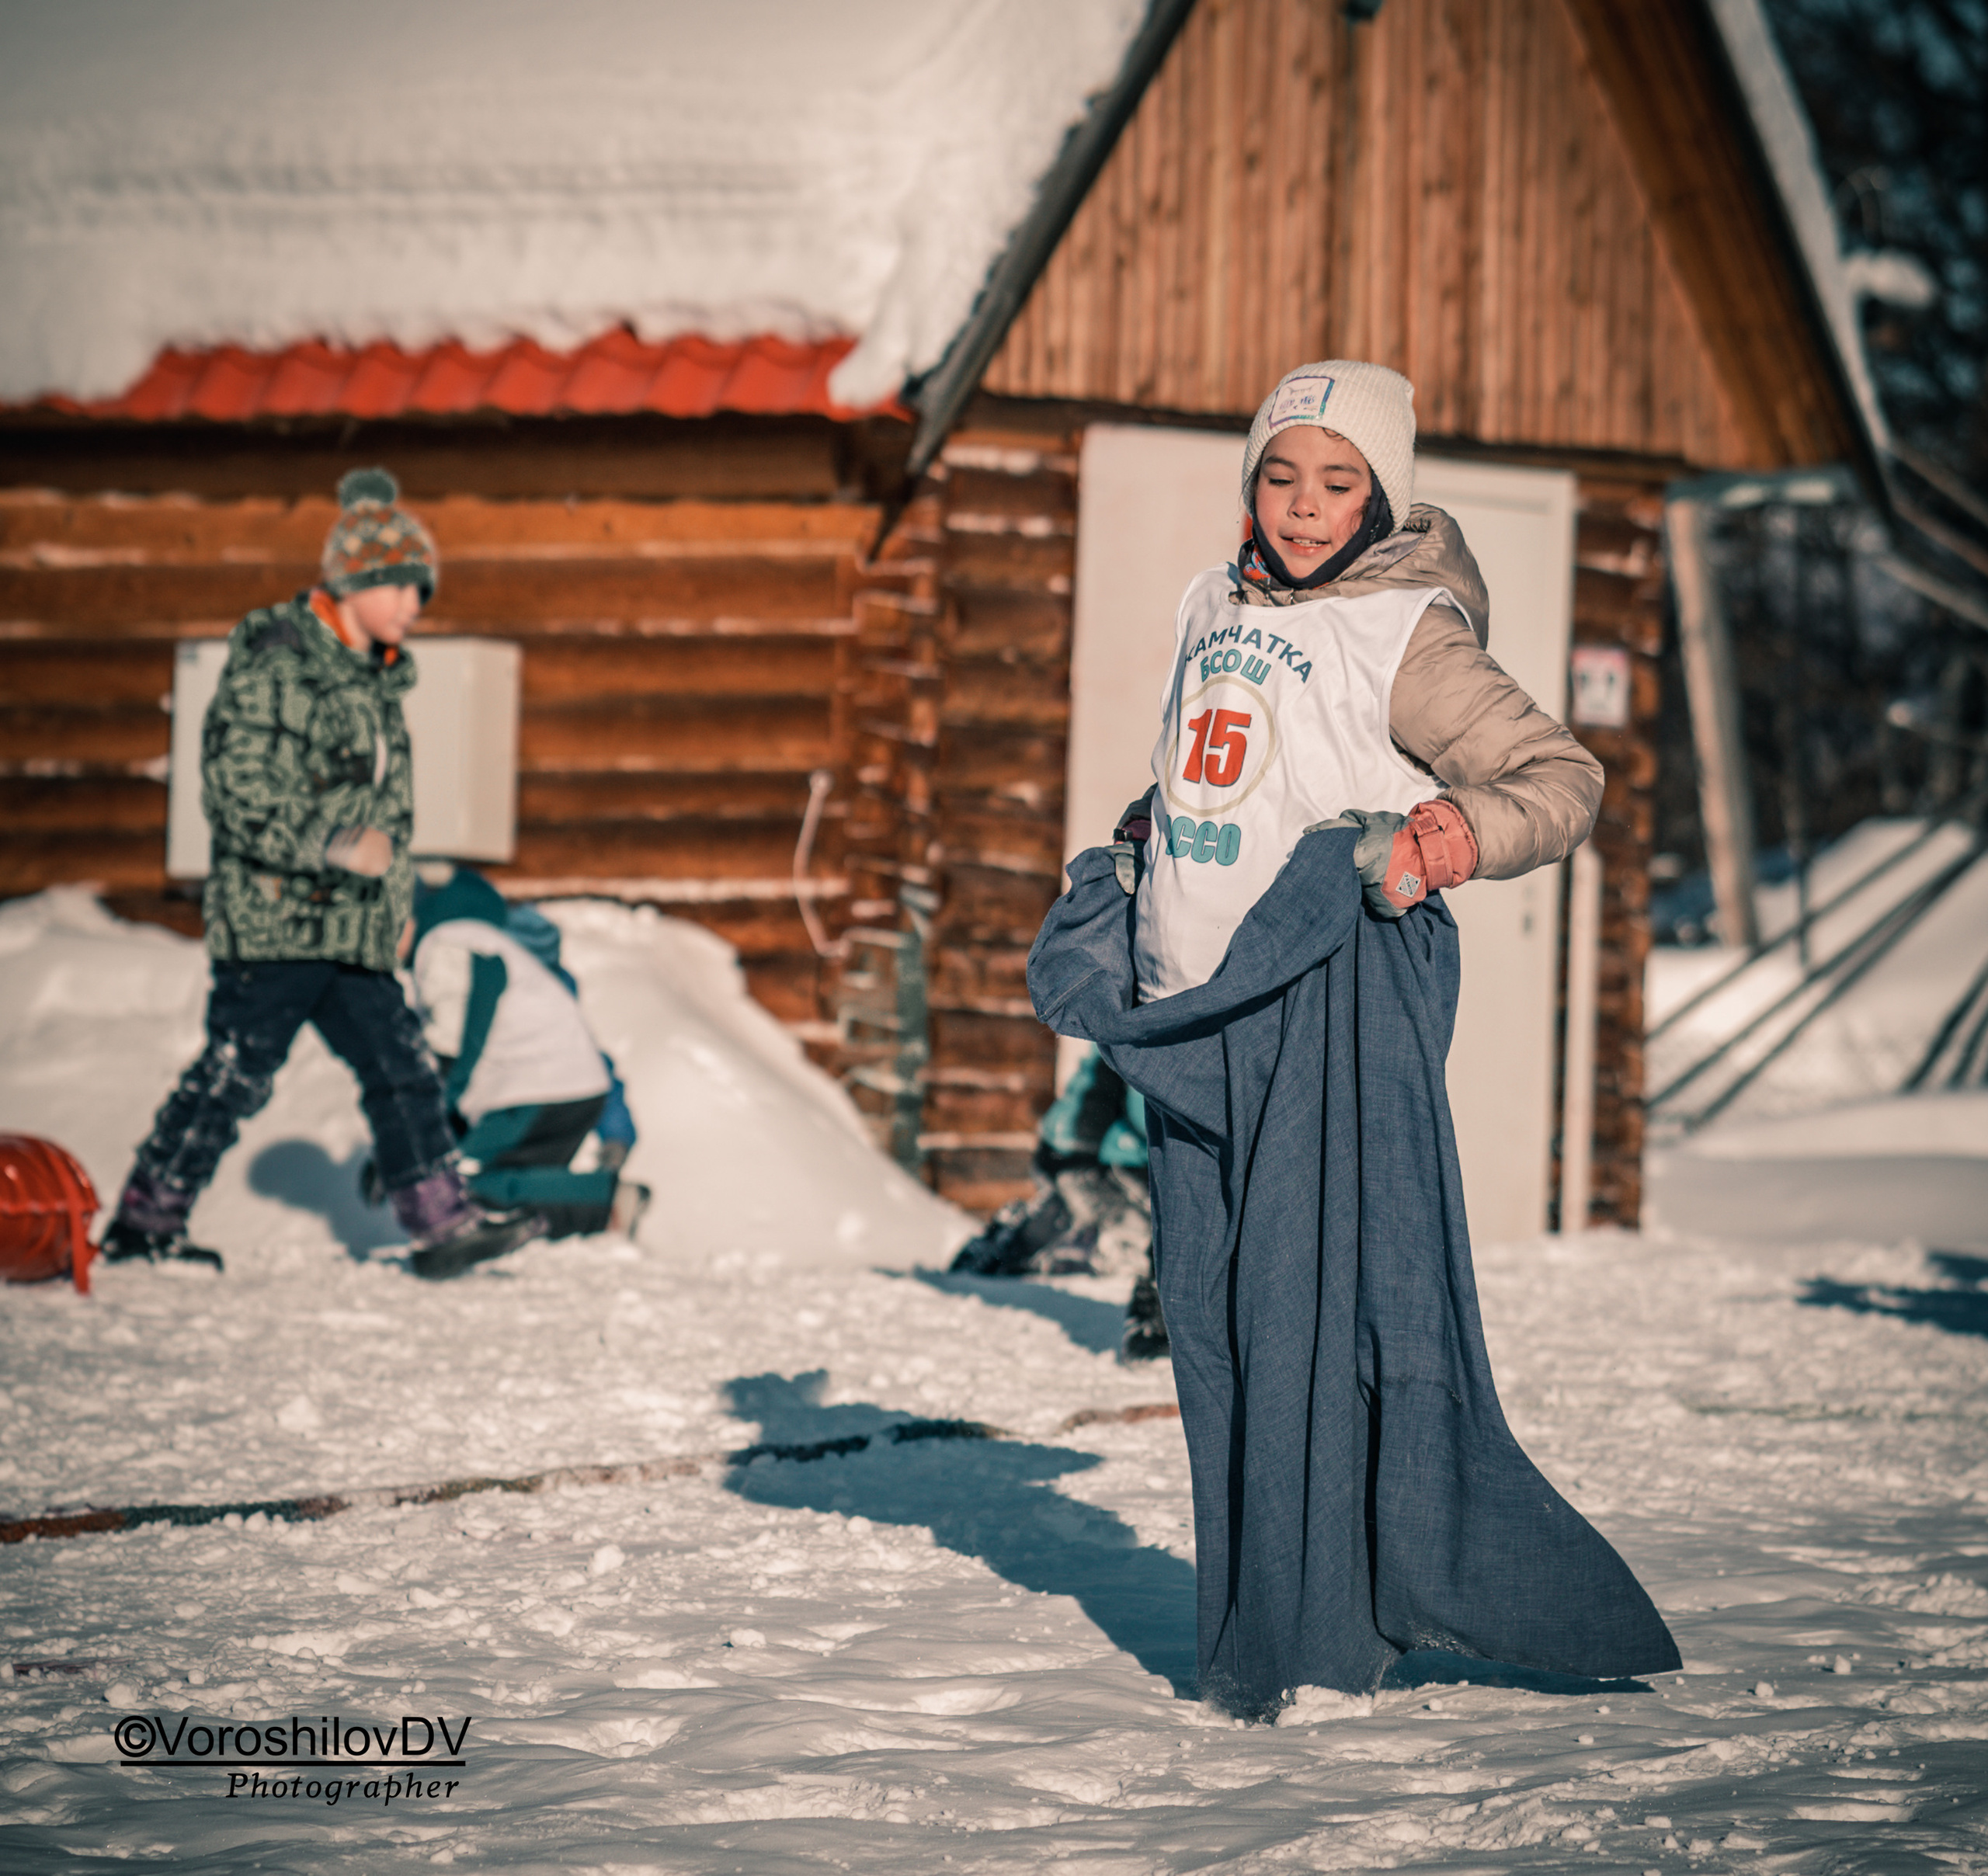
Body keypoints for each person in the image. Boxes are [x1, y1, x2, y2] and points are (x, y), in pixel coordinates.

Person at [1027, 361, 1680, 1717]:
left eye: (1339, 482)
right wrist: (1150, 828)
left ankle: (1323, 1636)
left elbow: (1564, 782)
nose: (1306, 507)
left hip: (1326, 1004)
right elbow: (1233, 758)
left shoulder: (1408, 631)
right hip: (1192, 1015)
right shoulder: (1215, 599)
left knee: (1309, 1324)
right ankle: (1261, 1613)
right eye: (1282, 475)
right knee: (1212, 1330)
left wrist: (1435, 840)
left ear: (1382, 493)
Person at [101, 469, 542, 1282]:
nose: (416, 605)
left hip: (348, 926)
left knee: (399, 1063)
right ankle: (144, 1220)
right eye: (405, 586)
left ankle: (440, 1221)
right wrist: (331, 841)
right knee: (236, 1071)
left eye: (422, 590)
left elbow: (387, 817)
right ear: (357, 580)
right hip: (275, 920)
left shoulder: (369, 680)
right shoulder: (279, 667)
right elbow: (238, 788)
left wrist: (389, 904)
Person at [396, 864, 650, 1239]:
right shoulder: (483, 962)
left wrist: (617, 1135)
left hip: (531, 1096)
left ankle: (606, 1200)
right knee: (493, 1182)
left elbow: (456, 1055)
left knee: (465, 1179)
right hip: (528, 1096)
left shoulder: (456, 952)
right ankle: (542, 1222)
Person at [948, 1046, 1168, 1362]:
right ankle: (1001, 1246)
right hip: (1092, 1154)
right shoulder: (1148, 1034)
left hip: (1131, 1155)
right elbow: (1108, 1091)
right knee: (1073, 1229)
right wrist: (1077, 1154)